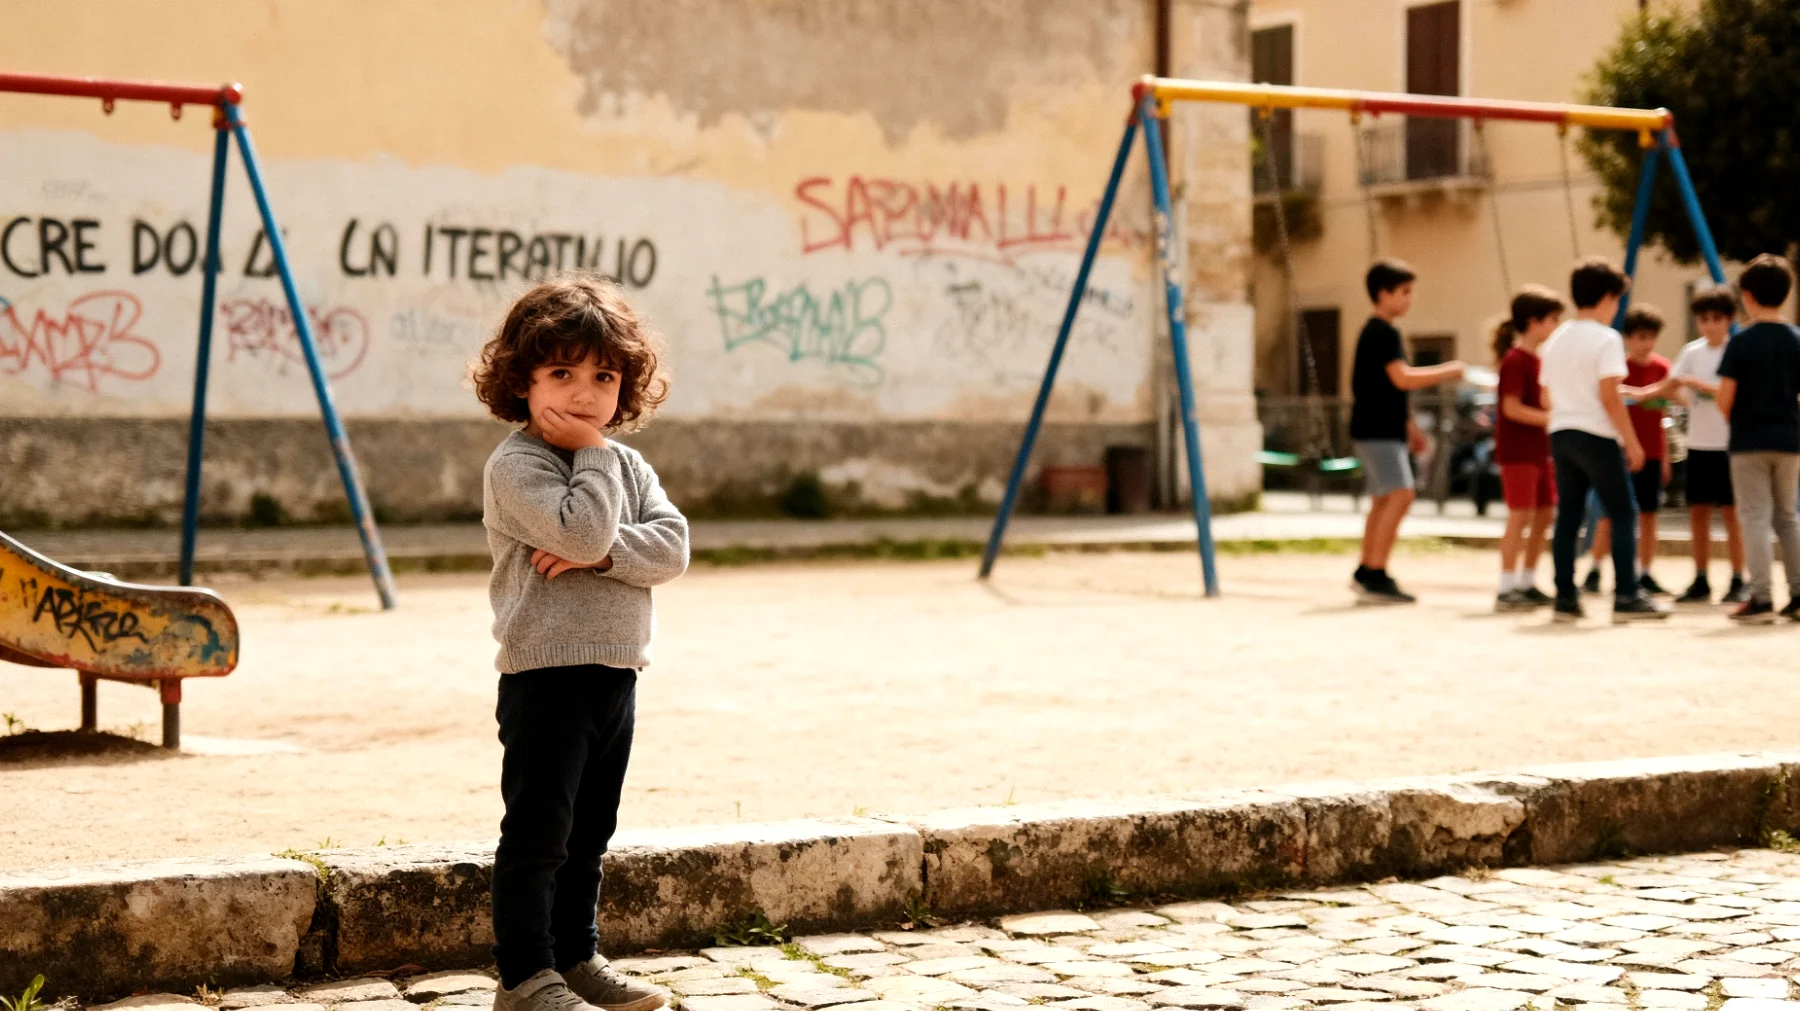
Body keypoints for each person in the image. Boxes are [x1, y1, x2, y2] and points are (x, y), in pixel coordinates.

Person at [473, 276, 686, 1011]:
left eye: (603, 375)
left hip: (615, 676)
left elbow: (672, 548)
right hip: (545, 677)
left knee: (591, 832)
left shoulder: (627, 465)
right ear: (521, 381)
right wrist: (593, 466)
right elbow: (581, 526)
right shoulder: (517, 466)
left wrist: (600, 556)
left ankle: (577, 955)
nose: (584, 393)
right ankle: (524, 975)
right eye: (561, 372)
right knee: (540, 834)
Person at [1538, 258, 1671, 623]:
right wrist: (1632, 442)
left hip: (1560, 434)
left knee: (1568, 516)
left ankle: (1565, 596)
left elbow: (1546, 396)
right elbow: (1611, 396)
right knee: (1624, 511)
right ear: (1608, 297)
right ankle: (1627, 594)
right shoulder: (1606, 338)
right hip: (1596, 435)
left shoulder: (1556, 339)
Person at [1349, 259, 1466, 603]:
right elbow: (1401, 378)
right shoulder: (1384, 332)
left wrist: (1410, 427)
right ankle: (1376, 573)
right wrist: (1449, 370)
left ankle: (1367, 568)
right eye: (1404, 292)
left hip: (1379, 428)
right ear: (1383, 294)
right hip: (1377, 430)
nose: (1409, 299)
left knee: (1383, 498)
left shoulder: (1377, 331)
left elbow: (1391, 390)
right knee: (1401, 495)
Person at [1716, 254, 1800, 624]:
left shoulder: (1741, 343)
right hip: (1789, 439)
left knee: (1754, 516)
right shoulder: (1796, 338)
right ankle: (1798, 594)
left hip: (1749, 440)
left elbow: (1725, 397)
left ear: (1746, 295)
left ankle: (1762, 599)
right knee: (1787, 517)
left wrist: (1736, 420)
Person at [1586, 305, 1673, 596]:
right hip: (1622, 452)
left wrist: (1665, 457)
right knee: (1610, 515)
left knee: (1649, 515)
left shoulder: (1663, 369)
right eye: (1640, 337)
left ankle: (1644, 572)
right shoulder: (1618, 369)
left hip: (1651, 452)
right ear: (1628, 338)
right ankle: (1595, 568)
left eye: (1651, 337)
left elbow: (1664, 417)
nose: (1646, 343)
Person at [1669, 284, 1748, 604]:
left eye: (1716, 318)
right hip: (1699, 444)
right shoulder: (1691, 352)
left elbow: (1735, 394)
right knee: (1698, 513)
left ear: (1729, 319)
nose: (1709, 325)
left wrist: (1701, 387)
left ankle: (1738, 577)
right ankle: (1701, 578)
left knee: (1732, 514)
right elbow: (1673, 386)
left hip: (1730, 444)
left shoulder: (1738, 349)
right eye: (1703, 319)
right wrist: (1687, 398)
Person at [1491, 285, 1564, 611]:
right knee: (1520, 515)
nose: (1557, 325)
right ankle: (1507, 586)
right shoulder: (1516, 360)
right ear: (1534, 321)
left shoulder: (1541, 360)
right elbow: (1511, 409)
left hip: (1540, 452)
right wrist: (1553, 418)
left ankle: (1528, 581)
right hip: (1518, 452)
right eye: (1553, 319)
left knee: (1545, 514)